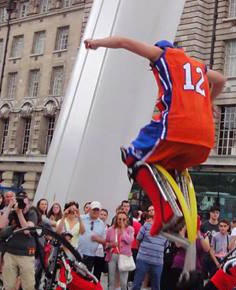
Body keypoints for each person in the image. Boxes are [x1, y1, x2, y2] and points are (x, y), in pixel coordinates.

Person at [83, 36, 226, 238]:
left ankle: (164, 211)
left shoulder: (163, 55)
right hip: (204, 139)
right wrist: (209, 101)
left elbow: (125, 41)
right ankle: (184, 213)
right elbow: (220, 80)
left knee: (132, 155)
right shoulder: (197, 66)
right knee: (168, 164)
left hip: (176, 127)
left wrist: (97, 42)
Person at [0, 193, 38, 290]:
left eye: (25, 204)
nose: (22, 206)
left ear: (29, 204)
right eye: (20, 203)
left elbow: (27, 230)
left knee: (28, 286)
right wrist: (10, 207)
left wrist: (20, 213)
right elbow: (1, 225)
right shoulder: (13, 212)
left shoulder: (32, 213)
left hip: (26, 254)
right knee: (9, 285)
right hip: (10, 253)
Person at [133, 206, 168, 290]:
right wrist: (142, 252)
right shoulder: (146, 225)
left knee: (156, 286)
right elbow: (138, 239)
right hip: (143, 259)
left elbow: (165, 245)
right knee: (136, 284)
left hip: (157, 262)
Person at [105, 211, 135, 290]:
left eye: (124, 219)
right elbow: (106, 242)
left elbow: (129, 240)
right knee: (111, 281)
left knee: (123, 282)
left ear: (127, 220)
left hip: (124, 257)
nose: (121, 221)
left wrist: (123, 230)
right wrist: (110, 246)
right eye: (119, 219)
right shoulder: (111, 229)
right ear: (116, 219)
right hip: (113, 256)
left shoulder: (130, 229)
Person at [78, 201, 107, 279]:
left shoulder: (101, 224)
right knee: (73, 277)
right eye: (94, 209)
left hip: (90, 256)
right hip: (77, 252)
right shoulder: (81, 218)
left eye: (97, 210)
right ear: (90, 209)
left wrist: (98, 239)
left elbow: (104, 240)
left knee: (84, 279)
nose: (95, 211)